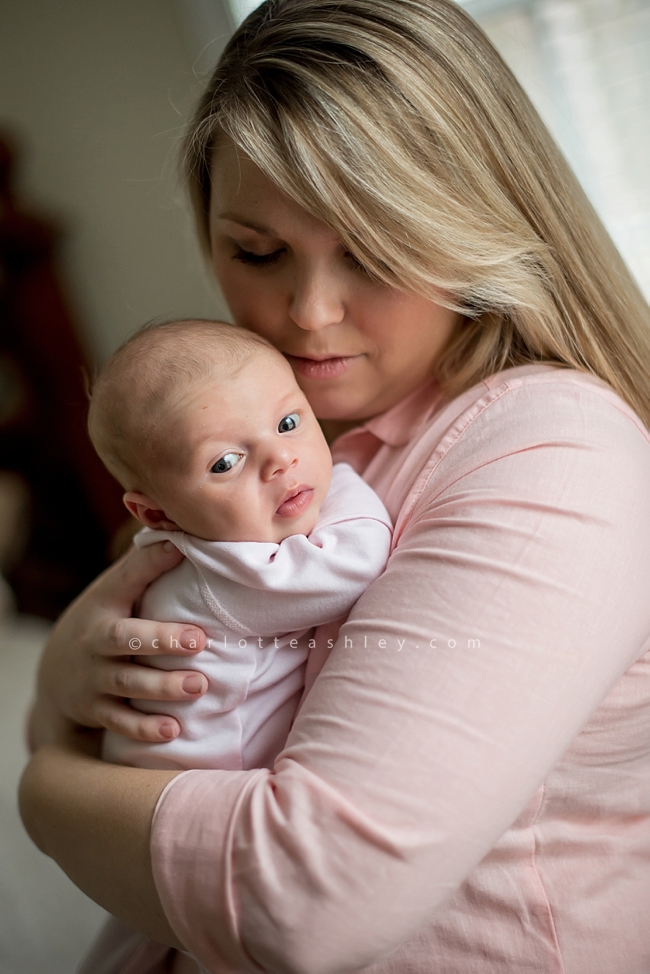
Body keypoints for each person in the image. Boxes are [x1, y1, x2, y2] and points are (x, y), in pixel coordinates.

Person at [18, 1, 650, 972]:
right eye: (255, 252)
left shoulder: (548, 449)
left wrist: (46, 788)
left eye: (373, 247)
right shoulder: (270, 438)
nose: (306, 315)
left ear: (474, 221)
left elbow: (306, 900)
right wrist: (65, 675)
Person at [87, 316, 391, 773]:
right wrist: (344, 475)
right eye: (226, 463)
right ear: (157, 514)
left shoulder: (199, 541)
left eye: (288, 422)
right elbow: (354, 565)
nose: (280, 460)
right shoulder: (218, 578)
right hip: (200, 780)